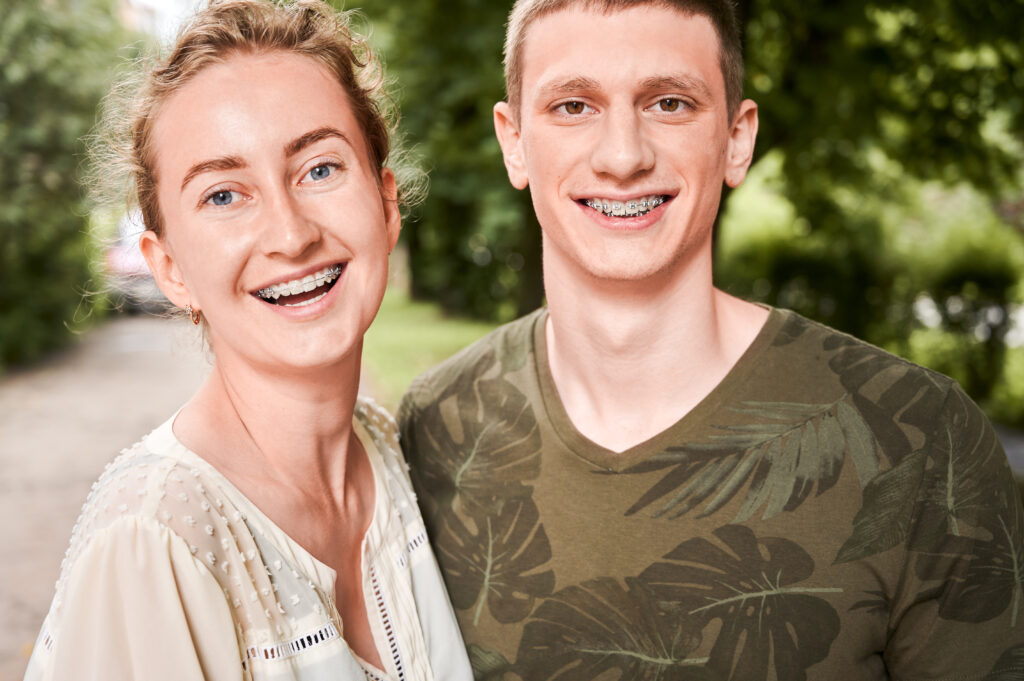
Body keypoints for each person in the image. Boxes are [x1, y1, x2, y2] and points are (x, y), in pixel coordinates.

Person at [396, 1, 1024, 679]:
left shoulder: (924, 438)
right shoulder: (435, 429)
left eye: (668, 103)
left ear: (737, 138)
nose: (622, 156)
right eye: (574, 106)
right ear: (513, 140)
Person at [24, 1, 471, 679]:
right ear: (169, 266)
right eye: (224, 195)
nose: (291, 235)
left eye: (319, 169)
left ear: (385, 205)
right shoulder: (155, 541)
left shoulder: (393, 460)